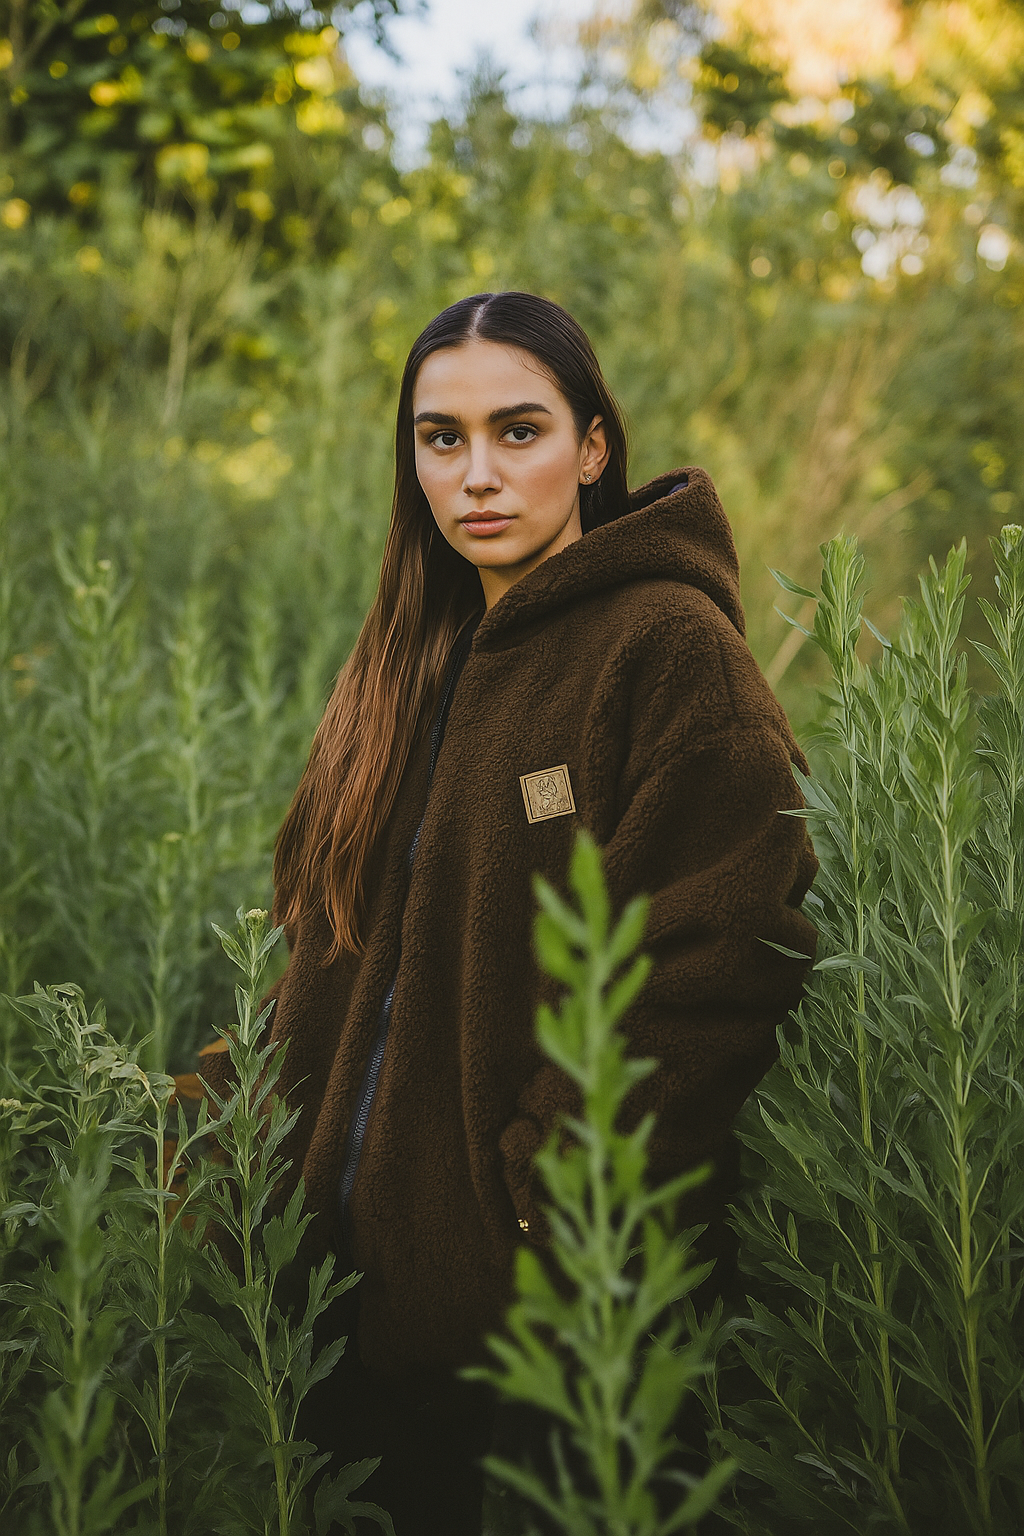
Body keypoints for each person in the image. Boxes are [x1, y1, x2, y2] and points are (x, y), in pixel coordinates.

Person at [208, 291, 818, 1533]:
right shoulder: (412, 657)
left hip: (542, 1338)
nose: (476, 475)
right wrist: (212, 1141)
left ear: (594, 447)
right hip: (340, 1322)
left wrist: (538, 1210)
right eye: (442, 439)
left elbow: (720, 962)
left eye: (519, 432)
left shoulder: (667, 649)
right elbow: (328, 962)